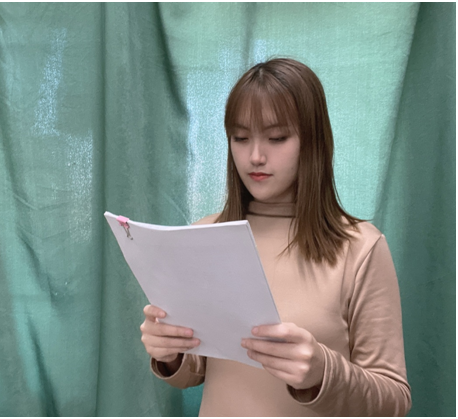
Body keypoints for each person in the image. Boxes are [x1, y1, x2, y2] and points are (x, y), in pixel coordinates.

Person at [139, 58, 411, 416]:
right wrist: (170, 353)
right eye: (240, 138)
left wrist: (323, 372)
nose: (255, 156)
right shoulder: (203, 236)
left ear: (312, 141)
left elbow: (394, 401)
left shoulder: (361, 248)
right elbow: (196, 370)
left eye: (277, 138)